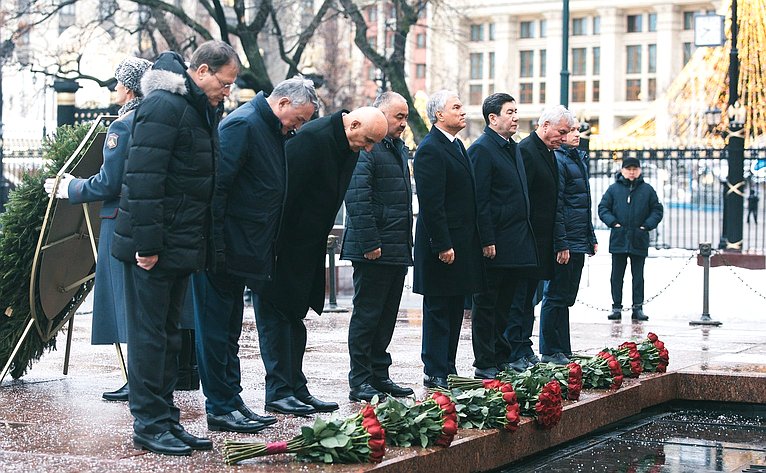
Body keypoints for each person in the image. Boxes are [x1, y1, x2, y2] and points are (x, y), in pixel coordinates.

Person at [111, 41, 240, 456]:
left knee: (168, 337)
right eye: (226, 82)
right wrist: (147, 246)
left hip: (179, 244)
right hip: (154, 247)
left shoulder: (197, 108)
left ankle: (165, 419)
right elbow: (143, 180)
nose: (228, 91)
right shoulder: (165, 105)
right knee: (151, 338)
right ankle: (148, 424)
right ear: (202, 71)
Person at [192, 77, 318, 432]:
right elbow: (216, 191)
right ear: (282, 104)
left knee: (229, 330)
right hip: (222, 250)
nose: (300, 126)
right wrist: (215, 247)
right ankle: (219, 406)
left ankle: (232, 401)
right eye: (300, 118)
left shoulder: (268, 127)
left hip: (241, 251)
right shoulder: (244, 124)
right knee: (216, 332)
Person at [255, 107, 388, 416]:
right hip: (281, 246)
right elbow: (282, 194)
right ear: (354, 124)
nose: (368, 149)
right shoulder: (312, 139)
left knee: (295, 319)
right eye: (367, 140)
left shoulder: (347, 142)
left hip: (306, 246)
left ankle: (296, 387)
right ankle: (278, 391)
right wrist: (273, 249)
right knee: (276, 319)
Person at [43, 57, 152, 401]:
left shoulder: (123, 126)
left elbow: (108, 184)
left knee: (126, 302)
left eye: (119, 82)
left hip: (119, 221)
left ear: (131, 87)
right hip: (147, 221)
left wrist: (71, 188)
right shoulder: (153, 120)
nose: (114, 88)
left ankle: (138, 380)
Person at [340, 92, 415, 402]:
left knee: (386, 316)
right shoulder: (368, 148)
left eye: (405, 117)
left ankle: (379, 374)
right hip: (373, 248)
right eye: (399, 116)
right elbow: (357, 197)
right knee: (367, 315)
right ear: (380, 114)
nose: (403, 123)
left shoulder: (396, 148)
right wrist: (371, 242)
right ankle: (359, 379)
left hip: (395, 246)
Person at [413, 90, 485, 389]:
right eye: (456, 107)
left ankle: (448, 365)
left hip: (461, 244)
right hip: (441, 246)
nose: (462, 111)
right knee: (439, 309)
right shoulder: (431, 149)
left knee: (455, 308)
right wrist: (442, 244)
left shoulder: (455, 146)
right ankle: (434, 369)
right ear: (439, 115)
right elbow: (432, 203)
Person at [468, 93, 537, 378]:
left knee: (506, 305)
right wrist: (487, 239)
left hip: (516, 242)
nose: (515, 117)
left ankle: (501, 356)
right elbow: (479, 200)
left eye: (515, 111)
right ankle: (485, 362)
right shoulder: (482, 149)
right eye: (509, 112)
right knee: (487, 305)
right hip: (495, 243)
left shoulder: (513, 147)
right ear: (492, 118)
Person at [507, 105, 572, 370]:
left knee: (529, 300)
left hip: (541, 241)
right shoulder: (526, 150)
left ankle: (524, 345)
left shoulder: (548, 152)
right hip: (527, 239)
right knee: (519, 298)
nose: (564, 138)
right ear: (545, 126)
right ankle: (515, 349)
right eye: (561, 132)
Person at [538, 120, 597, 364]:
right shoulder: (559, 160)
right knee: (555, 295)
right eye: (570, 130)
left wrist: (589, 236)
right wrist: (561, 243)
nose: (575, 134)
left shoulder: (577, 159)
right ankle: (550, 350)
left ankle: (562, 347)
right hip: (566, 241)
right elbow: (558, 205)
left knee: (566, 297)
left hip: (578, 238)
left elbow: (584, 204)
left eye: (576, 130)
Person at [598, 157, 664, 321]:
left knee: (638, 276)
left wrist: (646, 226)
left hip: (638, 238)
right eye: (629, 169)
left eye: (635, 169)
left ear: (640, 170)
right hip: (619, 239)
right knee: (616, 276)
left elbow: (657, 210)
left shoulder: (647, 190)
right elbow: (603, 208)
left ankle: (638, 307)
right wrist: (613, 223)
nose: (632, 172)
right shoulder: (614, 189)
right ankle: (616, 307)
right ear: (622, 170)